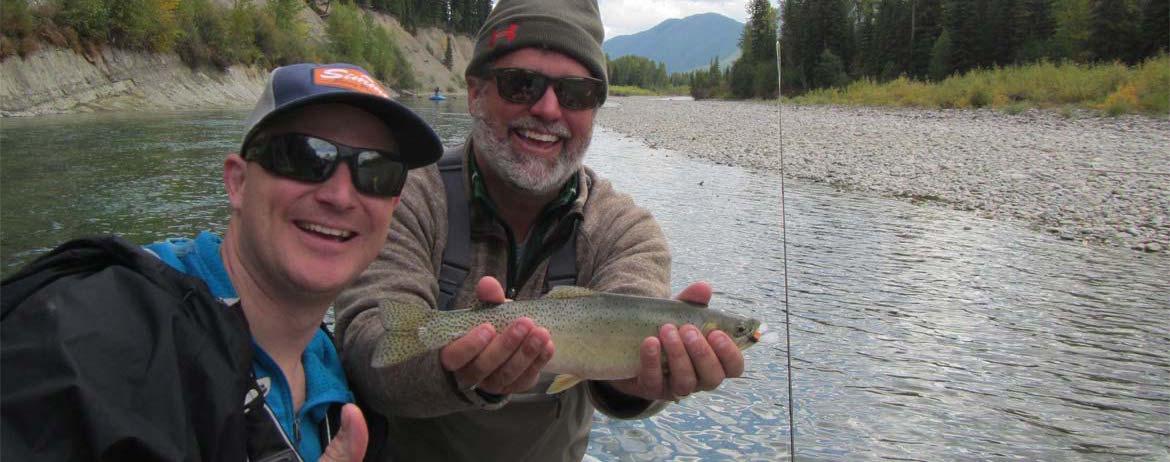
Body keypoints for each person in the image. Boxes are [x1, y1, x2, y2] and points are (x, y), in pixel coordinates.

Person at [333, 1, 749, 460]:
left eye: (576, 94)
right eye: (520, 84)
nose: (548, 109)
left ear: (594, 111)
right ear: (474, 92)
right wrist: (460, 369)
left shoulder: (626, 232)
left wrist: (638, 387)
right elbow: (366, 348)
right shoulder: (404, 196)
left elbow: (634, 353)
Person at [1, 63, 443, 462]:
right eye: (306, 157)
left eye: (376, 171)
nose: (340, 196)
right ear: (238, 183)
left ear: (393, 205)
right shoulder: (91, 333)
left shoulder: (334, 378)